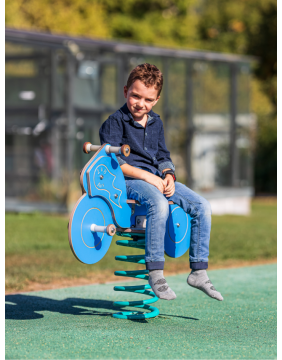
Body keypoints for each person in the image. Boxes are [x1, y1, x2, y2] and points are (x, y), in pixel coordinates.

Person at [99, 63, 223, 301]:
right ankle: (156, 272)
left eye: (148, 99)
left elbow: (163, 156)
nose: (140, 103)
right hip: (125, 181)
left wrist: (167, 175)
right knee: (159, 203)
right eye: (135, 96)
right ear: (125, 91)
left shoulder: (156, 122)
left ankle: (199, 271)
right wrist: (148, 177)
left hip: (156, 178)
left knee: (202, 206)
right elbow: (112, 163)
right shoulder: (115, 122)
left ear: (156, 100)